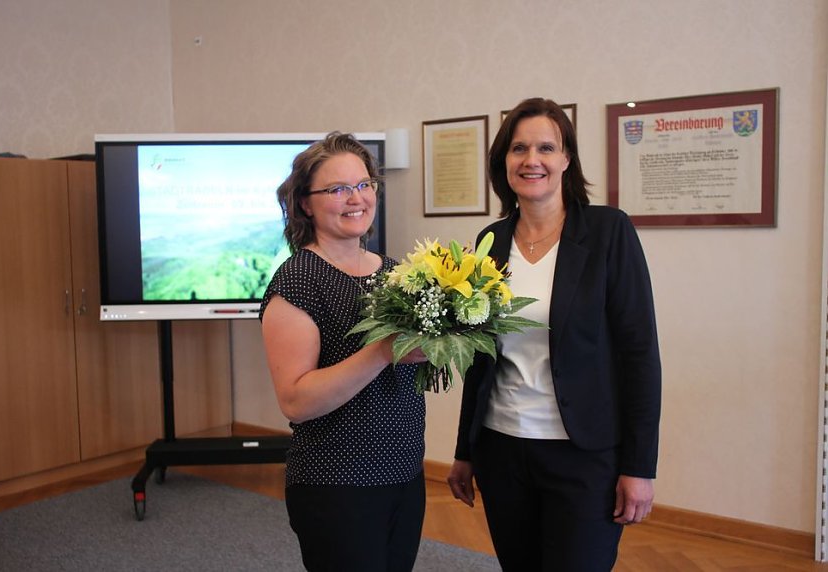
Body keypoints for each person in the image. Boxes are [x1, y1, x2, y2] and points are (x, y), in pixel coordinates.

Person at [447, 98, 662, 571]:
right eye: (518, 148)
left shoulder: (608, 232)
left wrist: (639, 466)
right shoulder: (490, 243)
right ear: (503, 162)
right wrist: (465, 451)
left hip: (584, 455)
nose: (532, 159)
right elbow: (481, 358)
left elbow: (640, 355)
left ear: (567, 159)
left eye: (546, 147)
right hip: (502, 448)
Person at [259, 132, 429, 572]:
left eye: (363, 184)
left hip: (406, 473)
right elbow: (295, 401)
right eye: (336, 189)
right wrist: (382, 352)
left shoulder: (394, 273)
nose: (355, 198)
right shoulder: (297, 282)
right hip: (337, 484)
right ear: (305, 204)